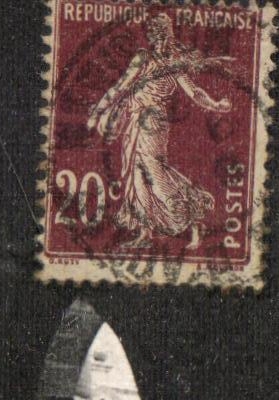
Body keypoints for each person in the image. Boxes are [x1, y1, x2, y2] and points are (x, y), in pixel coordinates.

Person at [85, 14, 234, 249]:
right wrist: (98, 111)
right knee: (136, 175)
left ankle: (194, 219)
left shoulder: (166, 62)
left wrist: (215, 105)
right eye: (162, 33)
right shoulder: (152, 59)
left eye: (165, 33)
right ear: (156, 36)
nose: (164, 38)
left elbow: (193, 92)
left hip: (150, 121)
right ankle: (145, 233)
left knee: (154, 173)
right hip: (139, 120)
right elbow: (121, 87)